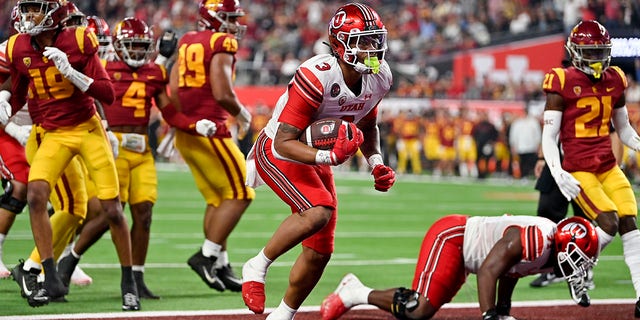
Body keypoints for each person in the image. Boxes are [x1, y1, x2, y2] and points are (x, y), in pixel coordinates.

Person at [241, 3, 396, 319]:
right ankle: (257, 264)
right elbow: (284, 142)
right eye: (363, 41)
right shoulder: (317, 75)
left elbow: (367, 125)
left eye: (375, 40)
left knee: (320, 250)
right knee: (317, 212)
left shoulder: (379, 78)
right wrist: (328, 155)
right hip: (276, 149)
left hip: (314, 157)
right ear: (340, 45)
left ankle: (283, 315)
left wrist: (376, 161)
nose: (372, 48)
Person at [0, 0, 139, 310]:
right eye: (26, 9)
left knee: (112, 209)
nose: (27, 16)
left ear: (53, 13)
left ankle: (128, 281)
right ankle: (49, 274)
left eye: (35, 8)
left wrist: (72, 73)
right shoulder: (19, 45)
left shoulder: (77, 39)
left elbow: (107, 92)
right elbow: (20, 83)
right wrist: (6, 98)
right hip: (52, 132)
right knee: (36, 195)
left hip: (86, 129)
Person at [56, 17, 186, 301]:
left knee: (145, 215)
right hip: (114, 148)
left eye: (142, 47)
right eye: (132, 46)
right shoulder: (105, 68)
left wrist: (188, 125)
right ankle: (70, 259)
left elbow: (167, 108)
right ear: (117, 45)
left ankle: (137, 276)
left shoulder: (153, 72)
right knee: (108, 214)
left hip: (142, 153)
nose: (138, 53)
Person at [540, 20, 640, 317]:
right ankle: (577, 267)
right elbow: (550, 136)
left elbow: (623, 129)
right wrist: (558, 173)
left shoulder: (616, 79)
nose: (596, 59)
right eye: (589, 52)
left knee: (630, 223)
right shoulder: (561, 80)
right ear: (574, 52)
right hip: (579, 167)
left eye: (600, 53)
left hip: (608, 166)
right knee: (608, 221)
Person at [320, 214, 600, 320]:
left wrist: (504, 311)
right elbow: (491, 269)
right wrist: (490, 315)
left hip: (467, 252)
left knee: (421, 310)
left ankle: (355, 291)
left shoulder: (547, 247)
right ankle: (353, 292)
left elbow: (512, 269)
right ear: (564, 243)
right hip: (453, 238)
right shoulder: (539, 238)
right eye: (577, 258)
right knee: (418, 309)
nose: (579, 268)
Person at [168, 0, 254, 293]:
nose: (234, 24)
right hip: (212, 130)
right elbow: (221, 91)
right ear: (214, 19)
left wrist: (180, 122)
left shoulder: (188, 40)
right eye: (229, 17)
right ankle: (205, 256)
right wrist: (242, 113)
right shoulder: (221, 41)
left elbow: (174, 85)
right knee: (243, 192)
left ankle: (220, 263)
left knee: (220, 199)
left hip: (190, 130)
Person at [530, 125, 623, 288]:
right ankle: (551, 268)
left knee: (584, 219)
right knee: (546, 214)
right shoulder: (558, 100)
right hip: (557, 165)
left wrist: (615, 168)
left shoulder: (592, 101)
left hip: (586, 165)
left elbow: (613, 134)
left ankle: (583, 269)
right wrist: (541, 157)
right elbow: (550, 129)